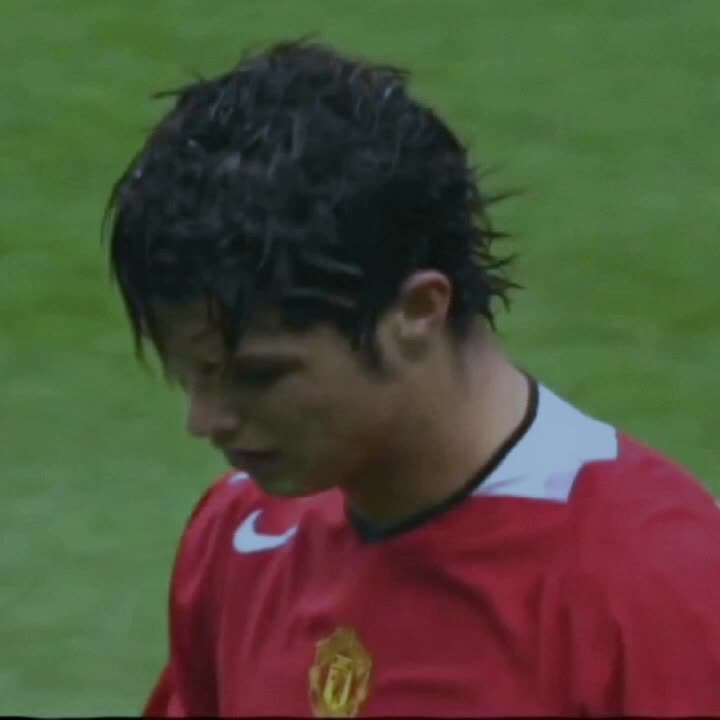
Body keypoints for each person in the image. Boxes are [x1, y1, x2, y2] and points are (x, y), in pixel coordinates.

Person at [105, 40, 720, 717]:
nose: (206, 420)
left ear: (417, 312)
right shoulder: (240, 533)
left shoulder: (657, 585)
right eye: (192, 374)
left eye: (259, 375)